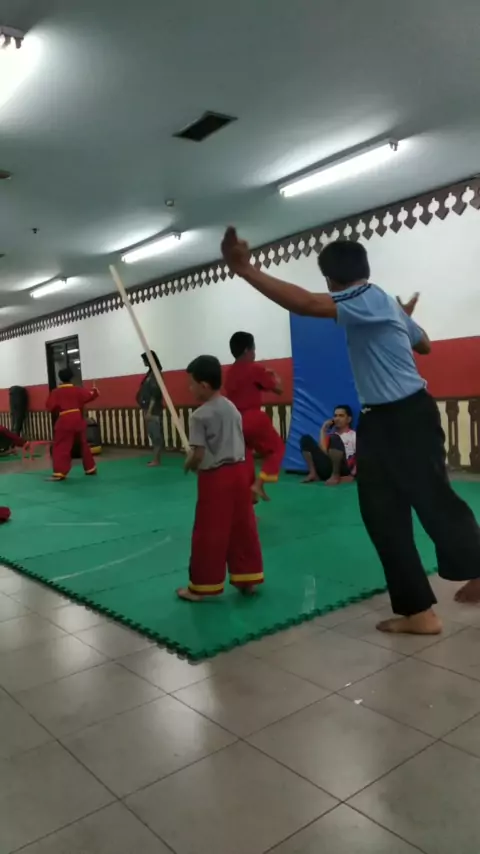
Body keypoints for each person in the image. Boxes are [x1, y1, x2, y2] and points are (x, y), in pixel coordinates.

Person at [221, 227, 480, 635]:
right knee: (383, 513)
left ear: (330, 280)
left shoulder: (363, 298)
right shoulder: (383, 302)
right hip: (380, 419)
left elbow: (306, 303)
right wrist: (401, 319)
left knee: (432, 500)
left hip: (407, 416)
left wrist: (245, 269)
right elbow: (425, 345)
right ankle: (418, 611)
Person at [177, 354, 264, 602]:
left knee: (209, 532)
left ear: (204, 385)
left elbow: (199, 454)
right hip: (240, 473)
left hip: (215, 479)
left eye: (191, 384)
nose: (190, 389)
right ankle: (247, 580)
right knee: (242, 528)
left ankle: (200, 588)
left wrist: (189, 463)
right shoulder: (231, 408)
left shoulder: (199, 416)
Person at [224, 331, 284, 501]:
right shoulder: (255, 368)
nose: (254, 353)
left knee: (246, 459)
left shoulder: (229, 372)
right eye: (253, 349)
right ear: (246, 350)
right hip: (253, 418)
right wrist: (273, 376)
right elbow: (279, 390)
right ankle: (259, 483)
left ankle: (250, 504)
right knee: (277, 449)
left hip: (235, 421)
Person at [46, 367, 99, 481]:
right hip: (78, 419)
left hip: (65, 420)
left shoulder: (56, 392)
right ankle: (90, 468)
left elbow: (50, 407)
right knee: (83, 444)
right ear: (71, 377)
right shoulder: (78, 390)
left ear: (60, 378)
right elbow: (91, 396)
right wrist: (94, 391)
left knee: (61, 446)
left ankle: (60, 472)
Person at [301, 404, 356, 484]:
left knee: (335, 438)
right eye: (335, 416)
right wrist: (323, 430)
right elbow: (323, 451)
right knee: (305, 439)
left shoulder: (354, 435)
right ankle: (313, 473)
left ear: (349, 419)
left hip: (343, 469)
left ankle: (335, 475)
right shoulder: (331, 436)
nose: (337, 419)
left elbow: (361, 456)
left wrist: (352, 475)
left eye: (341, 416)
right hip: (328, 467)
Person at [137, 351, 163, 467]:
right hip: (148, 408)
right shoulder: (150, 374)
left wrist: (150, 411)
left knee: (156, 434)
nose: (143, 362)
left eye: (144, 360)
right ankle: (155, 458)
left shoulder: (155, 375)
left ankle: (157, 460)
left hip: (153, 410)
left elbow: (155, 394)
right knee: (152, 434)